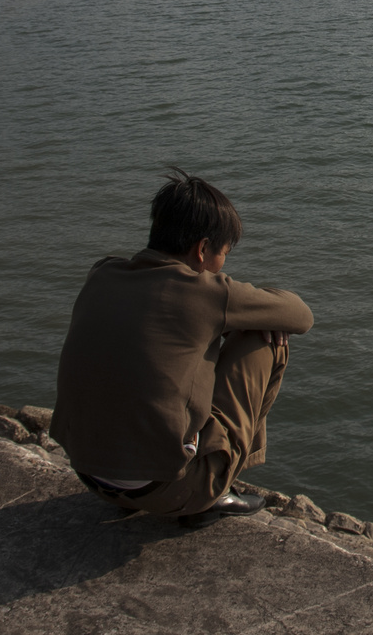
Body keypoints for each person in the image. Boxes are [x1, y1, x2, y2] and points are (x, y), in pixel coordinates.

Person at [50, 169, 313, 527]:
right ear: (202, 249)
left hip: (90, 475)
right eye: (223, 253)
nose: (222, 265)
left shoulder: (102, 273)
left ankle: (157, 471)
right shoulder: (207, 291)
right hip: (166, 491)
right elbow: (300, 314)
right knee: (263, 341)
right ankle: (215, 492)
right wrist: (245, 316)